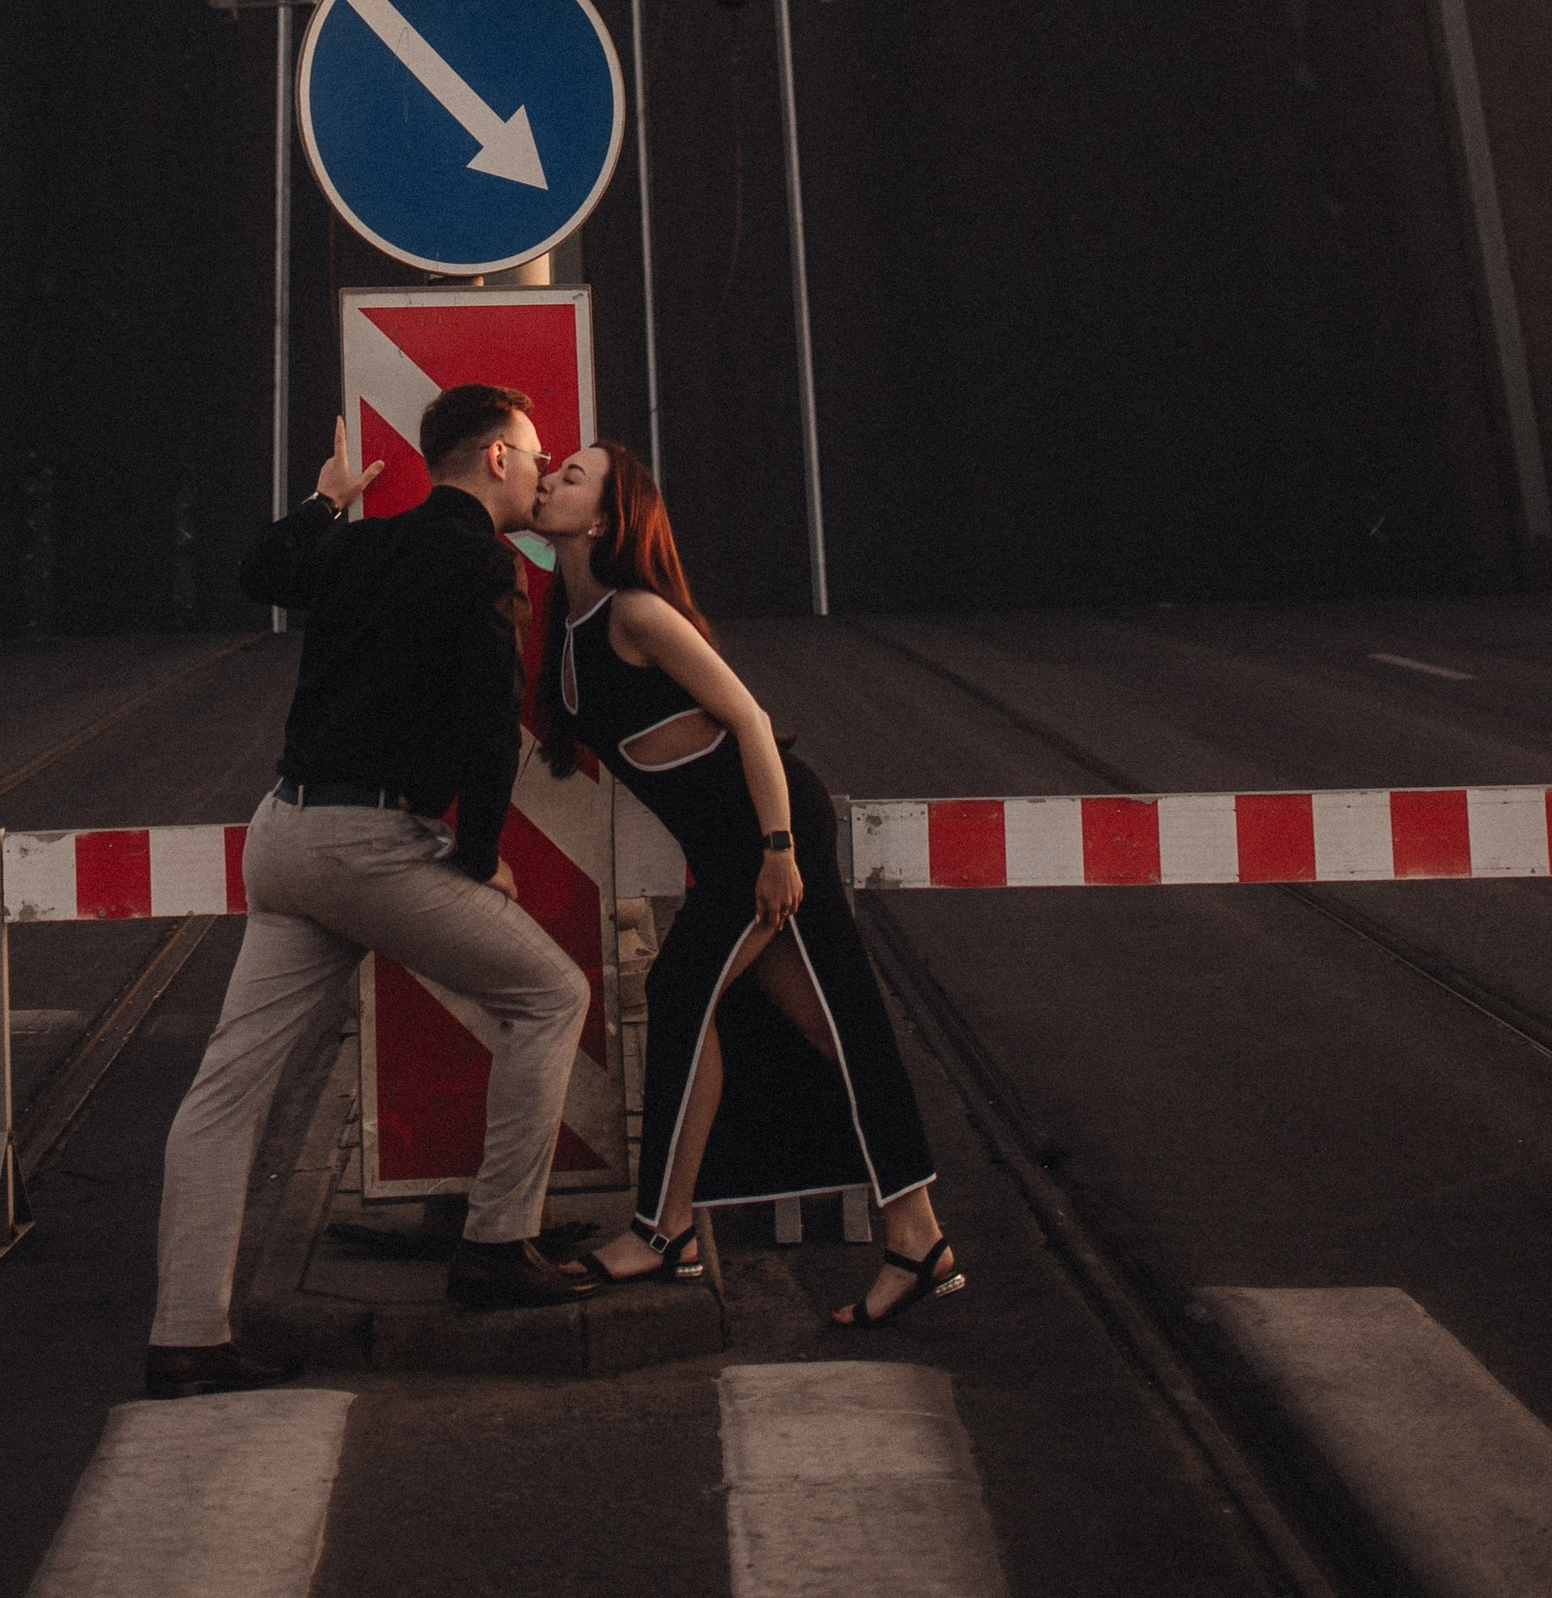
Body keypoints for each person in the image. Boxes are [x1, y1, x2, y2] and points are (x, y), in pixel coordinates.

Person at [145, 384, 594, 1396]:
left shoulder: (360, 545)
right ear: (493, 462)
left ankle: (186, 1334)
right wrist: (480, 857)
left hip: (286, 834)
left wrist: (328, 500)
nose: (538, 468)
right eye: (532, 454)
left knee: (226, 1090)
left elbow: (260, 569)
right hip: (368, 846)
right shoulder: (484, 564)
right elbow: (491, 729)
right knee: (550, 997)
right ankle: (493, 1248)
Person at [536, 437, 962, 1328]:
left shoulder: (638, 613)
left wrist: (779, 851)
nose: (549, 478)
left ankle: (662, 1233)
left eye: (570, 475)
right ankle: (916, 1239)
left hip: (765, 834)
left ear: (609, 518)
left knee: (682, 990)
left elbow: (751, 722)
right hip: (732, 847)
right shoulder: (564, 625)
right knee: (826, 1028)